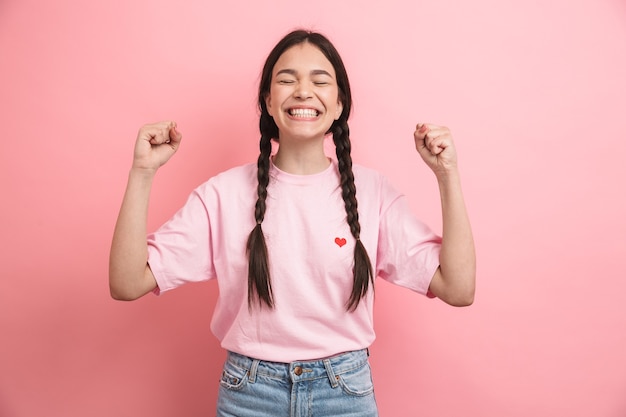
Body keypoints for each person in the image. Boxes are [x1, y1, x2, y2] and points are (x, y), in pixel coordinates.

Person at [109, 29, 475, 417]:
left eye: (320, 81)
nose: (302, 91)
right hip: (249, 394)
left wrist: (447, 174)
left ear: (338, 105)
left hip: (344, 393)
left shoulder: (374, 193)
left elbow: (458, 287)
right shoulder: (222, 194)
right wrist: (142, 172)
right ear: (268, 102)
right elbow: (127, 282)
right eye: (287, 80)